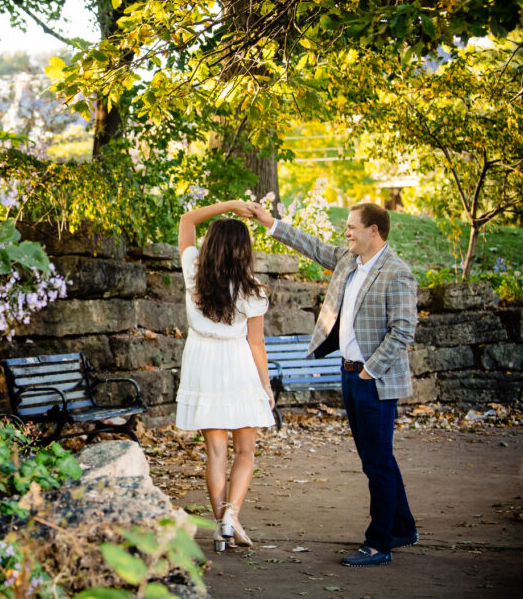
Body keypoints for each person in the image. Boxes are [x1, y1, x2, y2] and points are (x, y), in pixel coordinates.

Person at [248, 201, 418, 567]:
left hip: (373, 380)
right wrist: (270, 223)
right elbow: (311, 245)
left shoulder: (396, 272)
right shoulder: (348, 261)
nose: (347, 233)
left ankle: (379, 543)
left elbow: (404, 330)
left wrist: (370, 370)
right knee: (378, 458)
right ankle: (402, 527)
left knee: (376, 462)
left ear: (374, 231)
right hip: (350, 373)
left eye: (352, 227)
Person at [174, 200, 276, 553]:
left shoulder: (193, 272)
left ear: (210, 245)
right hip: (238, 365)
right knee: (245, 450)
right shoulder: (254, 290)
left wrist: (230, 206)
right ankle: (231, 516)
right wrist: (265, 386)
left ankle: (223, 527)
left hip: (202, 363)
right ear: (243, 252)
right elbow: (257, 344)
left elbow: (187, 219)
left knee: (215, 451)